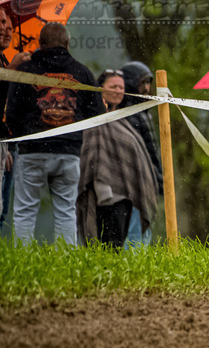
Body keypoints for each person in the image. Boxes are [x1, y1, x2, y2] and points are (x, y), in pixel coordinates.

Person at [5, 22, 104, 244]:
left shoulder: (26, 71)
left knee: (24, 211)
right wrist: (75, 132)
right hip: (68, 152)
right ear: (67, 43)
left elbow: (11, 113)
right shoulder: (82, 72)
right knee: (66, 210)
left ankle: (23, 263)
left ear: (40, 44)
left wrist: (24, 136)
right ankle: (65, 263)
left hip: (32, 150)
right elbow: (97, 113)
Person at [76, 70, 158, 248]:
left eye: (121, 87)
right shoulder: (95, 121)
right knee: (108, 244)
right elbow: (94, 158)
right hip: (105, 198)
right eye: (113, 86)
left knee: (118, 244)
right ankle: (105, 275)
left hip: (125, 197)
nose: (118, 90)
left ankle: (115, 274)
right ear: (100, 89)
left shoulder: (123, 120)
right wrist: (103, 190)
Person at [119, 60, 162, 248]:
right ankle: (133, 267)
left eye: (148, 82)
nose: (146, 88)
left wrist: (157, 176)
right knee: (134, 227)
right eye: (142, 83)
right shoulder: (126, 114)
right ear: (130, 83)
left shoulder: (143, 111)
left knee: (144, 225)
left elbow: (151, 150)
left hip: (148, 177)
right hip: (133, 181)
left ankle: (140, 263)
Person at [0, 8, 32, 231]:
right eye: (1, 23)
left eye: (10, 27)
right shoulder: (7, 63)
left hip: (6, 141)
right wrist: (13, 68)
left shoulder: (4, 59)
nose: (6, 30)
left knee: (2, 209)